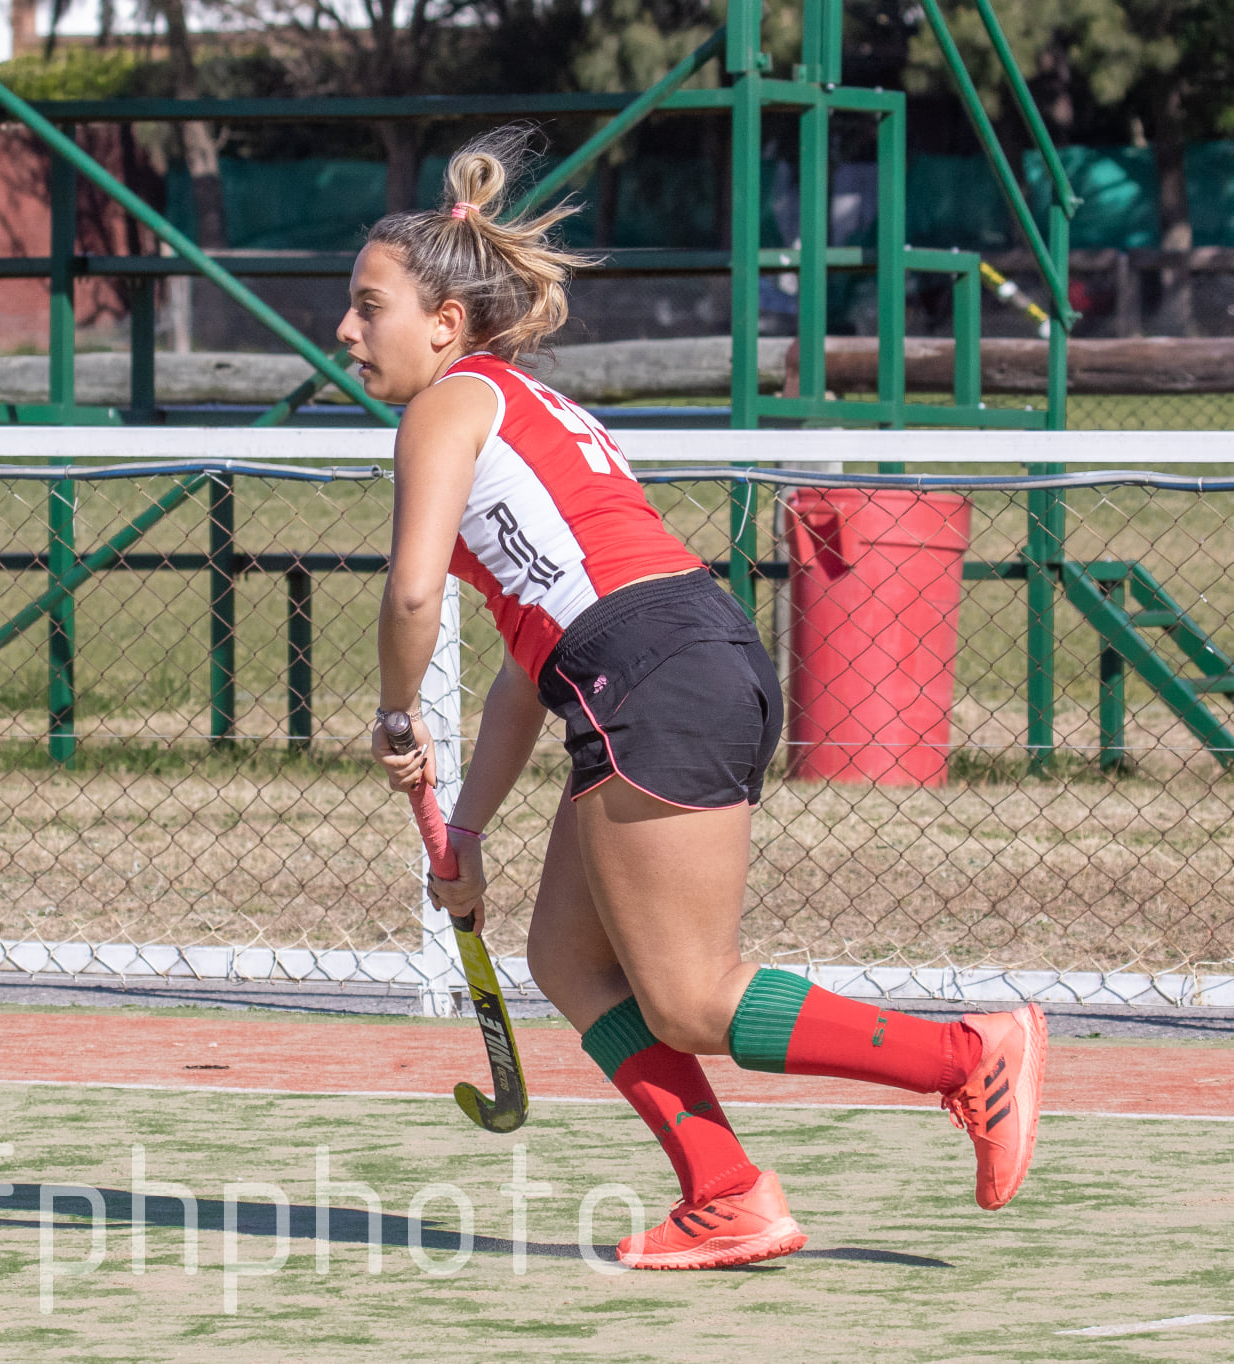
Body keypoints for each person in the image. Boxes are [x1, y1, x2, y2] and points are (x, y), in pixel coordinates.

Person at [353, 127, 1047, 1271]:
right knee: (572, 962)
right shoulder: (518, 409)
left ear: (444, 323)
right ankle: (725, 1191)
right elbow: (534, 656)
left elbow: (412, 590)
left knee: (686, 993)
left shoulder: (445, 407)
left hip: (652, 669)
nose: (346, 328)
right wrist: (467, 826)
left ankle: (964, 1055)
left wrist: (395, 717)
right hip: (664, 654)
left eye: (367, 304)